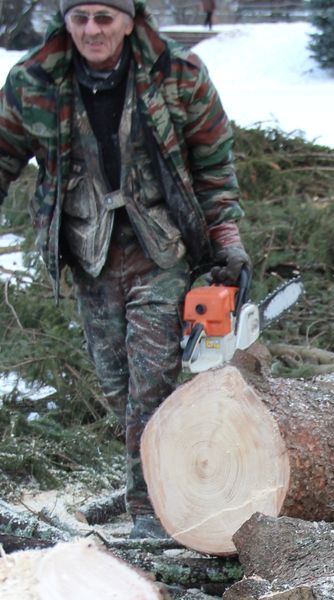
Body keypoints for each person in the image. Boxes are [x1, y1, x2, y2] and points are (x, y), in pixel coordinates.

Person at [0, 0, 250, 537]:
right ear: (66, 21)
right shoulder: (34, 80)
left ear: (130, 19)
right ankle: (175, 476)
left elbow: (212, 161)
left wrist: (225, 239)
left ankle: (152, 511)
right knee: (117, 387)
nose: (92, 30)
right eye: (80, 18)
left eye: (104, 17)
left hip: (161, 248)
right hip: (89, 251)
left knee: (151, 384)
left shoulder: (176, 73)